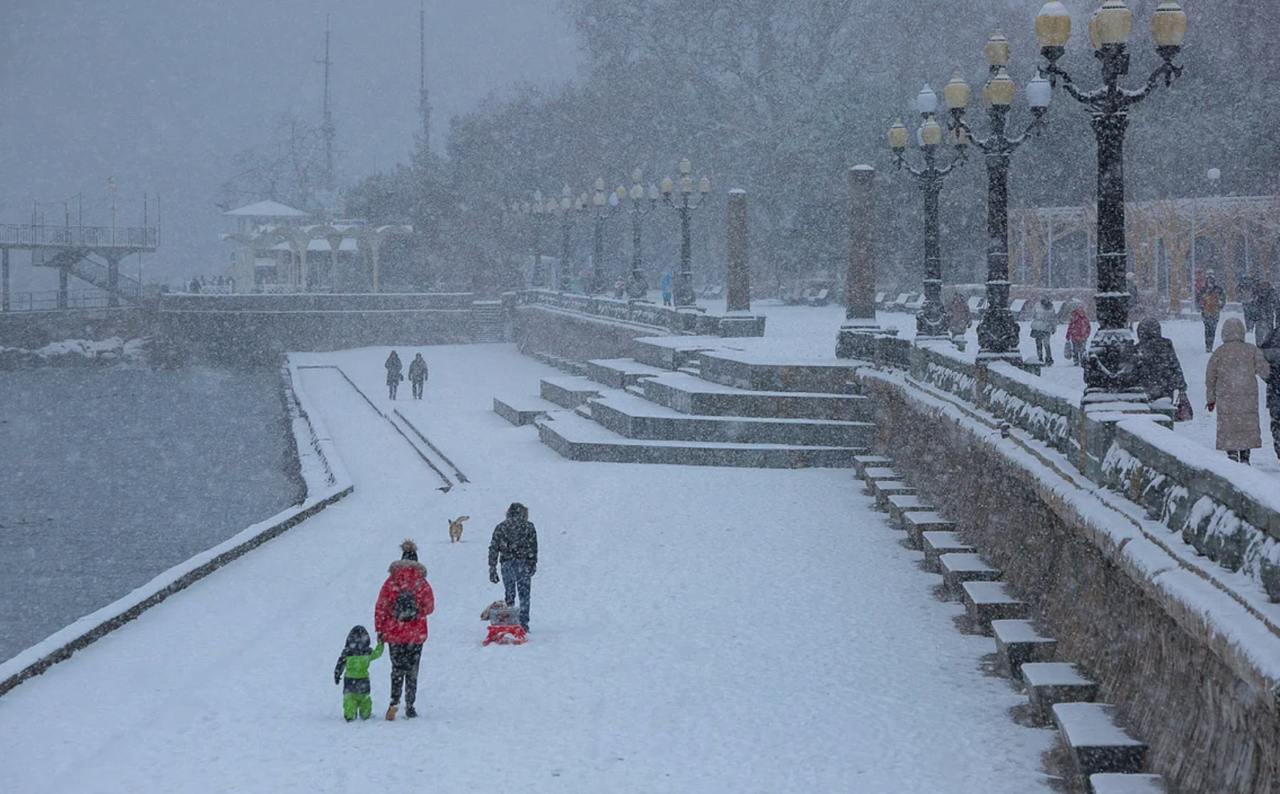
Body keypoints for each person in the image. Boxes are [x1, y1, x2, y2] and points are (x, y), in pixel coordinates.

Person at [374, 539, 435, 720]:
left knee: (397, 668)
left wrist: (380, 630)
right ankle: (410, 704)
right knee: (412, 669)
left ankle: (394, 701)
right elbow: (430, 607)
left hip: (394, 632)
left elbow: (381, 606)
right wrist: (417, 612)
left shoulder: (391, 580)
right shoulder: (421, 582)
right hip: (416, 634)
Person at [1206, 317, 1270, 464]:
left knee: (1229, 425)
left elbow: (1210, 378)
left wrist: (1211, 399)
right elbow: (1265, 371)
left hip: (1226, 398)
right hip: (1248, 398)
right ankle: (1245, 456)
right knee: (1246, 425)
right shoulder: (1251, 350)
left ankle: (1232, 455)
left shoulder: (1219, 353)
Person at [488, 502, 538, 631]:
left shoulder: (501, 527)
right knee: (524, 595)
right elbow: (533, 547)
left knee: (509, 594)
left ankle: (510, 620)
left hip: (506, 563)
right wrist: (532, 563)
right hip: (524, 563)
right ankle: (523, 624)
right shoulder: (528, 526)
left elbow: (493, 548)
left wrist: (492, 568)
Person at [333, 625, 384, 722]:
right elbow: (378, 653)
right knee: (365, 700)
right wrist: (381, 643)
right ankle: (365, 713)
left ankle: (350, 714)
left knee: (349, 700)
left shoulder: (347, 653)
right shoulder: (367, 652)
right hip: (363, 682)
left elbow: (340, 664)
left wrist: (337, 674)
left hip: (349, 683)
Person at [1135, 318, 1187, 408]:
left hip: (1145, 389)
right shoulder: (1166, 346)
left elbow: (1133, 371)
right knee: (1164, 412)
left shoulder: (1138, 349)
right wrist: (1181, 386)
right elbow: (1175, 365)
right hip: (1165, 387)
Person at [1197, 272, 1226, 353]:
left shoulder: (1217, 290)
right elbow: (1198, 300)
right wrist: (1201, 306)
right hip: (1207, 312)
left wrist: (1220, 305)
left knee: (1212, 329)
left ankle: (1209, 345)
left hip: (1214, 312)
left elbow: (1223, 299)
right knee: (1208, 329)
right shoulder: (1204, 290)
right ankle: (1208, 346)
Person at [1030, 297, 1057, 365]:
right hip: (1047, 327)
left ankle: (1039, 358)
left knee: (1038, 344)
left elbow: (1032, 315)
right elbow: (1053, 318)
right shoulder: (1051, 306)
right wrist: (1054, 328)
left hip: (1037, 327)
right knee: (1047, 344)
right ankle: (1048, 358)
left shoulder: (1037, 305)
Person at [1252, 280, 1277, 346]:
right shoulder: (1257, 292)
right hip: (1261, 317)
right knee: (1260, 334)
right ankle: (1261, 346)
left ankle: (1265, 346)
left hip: (1267, 316)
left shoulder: (1271, 292)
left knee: (1268, 333)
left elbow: (1276, 304)